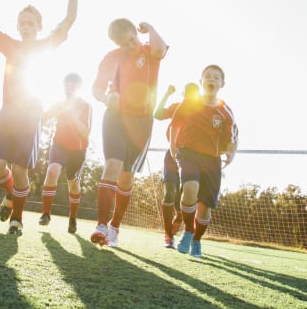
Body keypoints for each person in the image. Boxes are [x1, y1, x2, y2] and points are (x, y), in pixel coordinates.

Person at [0, 0, 78, 236]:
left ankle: (17, 220)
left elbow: (69, 20)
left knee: (20, 168)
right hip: (7, 114)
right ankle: (10, 195)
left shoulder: (45, 46)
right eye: (22, 22)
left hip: (31, 117)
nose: (26, 26)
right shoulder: (9, 45)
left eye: (31, 23)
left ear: (38, 26)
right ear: (17, 26)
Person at [90, 18, 168, 247]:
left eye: (133, 39)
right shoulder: (111, 58)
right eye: (124, 44)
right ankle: (101, 226)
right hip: (115, 117)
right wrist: (106, 98)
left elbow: (160, 49)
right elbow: (96, 89)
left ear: (136, 32)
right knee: (112, 165)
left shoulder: (149, 51)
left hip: (141, 122)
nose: (131, 45)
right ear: (116, 43)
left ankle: (115, 226)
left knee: (126, 176)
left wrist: (152, 28)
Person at [170, 64, 238, 258]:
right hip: (188, 153)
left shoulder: (225, 111)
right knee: (190, 189)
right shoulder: (189, 104)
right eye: (207, 76)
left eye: (216, 77)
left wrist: (231, 153)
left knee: (205, 208)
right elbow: (175, 125)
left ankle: (197, 240)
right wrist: (173, 147)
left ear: (222, 84)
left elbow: (233, 138)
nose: (211, 79)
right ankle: (188, 231)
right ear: (201, 81)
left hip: (212, 160)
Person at [38, 72, 92, 234]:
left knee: (73, 183)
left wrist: (73, 116)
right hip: (59, 144)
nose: (68, 89)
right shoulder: (59, 104)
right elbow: (43, 119)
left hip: (78, 150)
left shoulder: (85, 106)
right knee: (52, 171)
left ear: (78, 88)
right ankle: (46, 214)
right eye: (66, 85)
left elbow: (85, 133)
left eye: (72, 86)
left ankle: (73, 218)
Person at [153, 82, 199, 248]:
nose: (189, 97)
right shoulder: (177, 107)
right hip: (173, 155)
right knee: (169, 193)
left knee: (186, 197)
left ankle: (182, 223)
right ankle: (168, 235)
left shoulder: (202, 112)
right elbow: (157, 114)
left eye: (193, 94)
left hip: (191, 158)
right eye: (186, 93)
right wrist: (167, 93)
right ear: (183, 94)